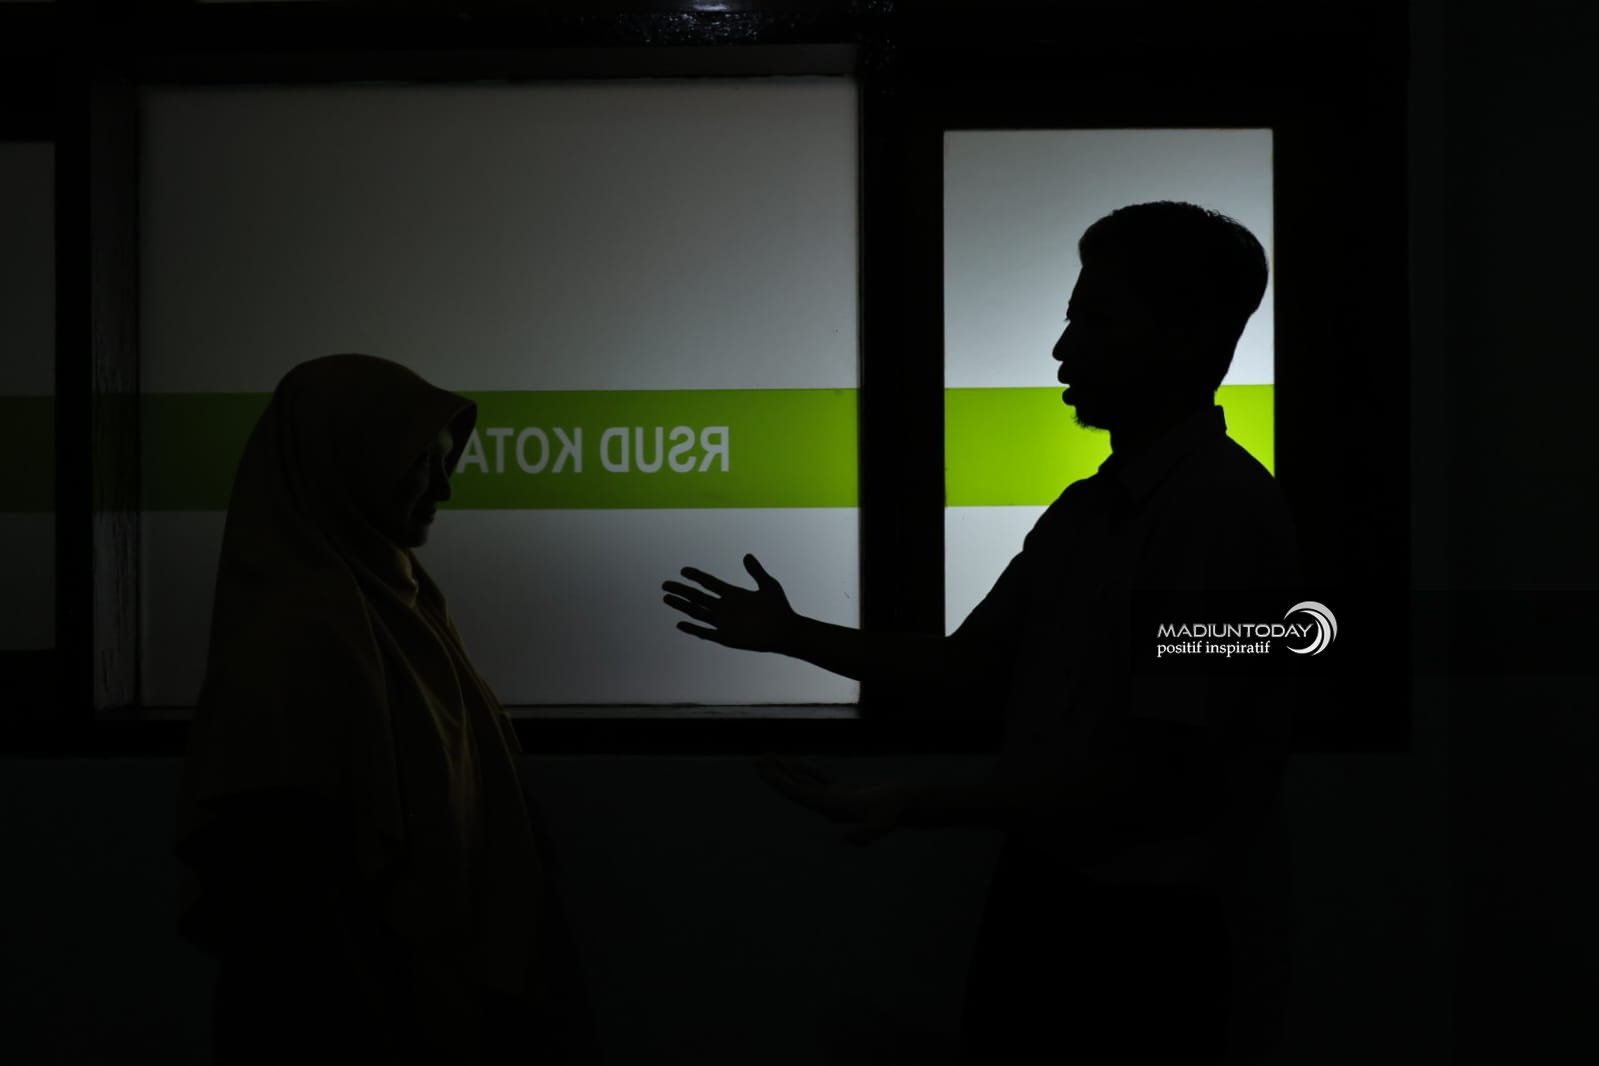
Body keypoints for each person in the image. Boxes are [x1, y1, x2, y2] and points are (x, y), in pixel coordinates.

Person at [662, 202, 1301, 1063]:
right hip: (1060, 903)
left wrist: (919, 804)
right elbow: (968, 666)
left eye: (1094, 319)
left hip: (1141, 939)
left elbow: (1163, 781)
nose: (1062, 349)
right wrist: (791, 633)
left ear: (1187, 337)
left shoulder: (1221, 518)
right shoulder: (1090, 510)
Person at [175, 354, 595, 1065]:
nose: (444, 487)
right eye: (420, 462)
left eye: (444, 461)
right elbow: (292, 878)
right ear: (347, 465)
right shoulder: (301, 632)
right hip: (353, 1014)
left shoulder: (399, 601)